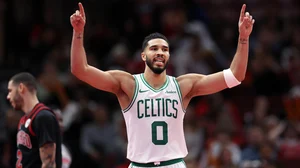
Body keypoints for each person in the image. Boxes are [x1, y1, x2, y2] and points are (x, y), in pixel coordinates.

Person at [69, 2, 255, 168]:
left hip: (173, 164)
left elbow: (235, 76)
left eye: (165, 49)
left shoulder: (183, 85)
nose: (160, 52)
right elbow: (80, 70)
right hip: (140, 165)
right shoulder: (128, 84)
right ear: (143, 55)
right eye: (154, 48)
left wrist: (243, 38)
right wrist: (78, 33)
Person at [6, 72, 62, 168]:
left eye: (10, 91)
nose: (8, 96)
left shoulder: (43, 116)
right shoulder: (24, 120)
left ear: (21, 88)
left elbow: (49, 163)